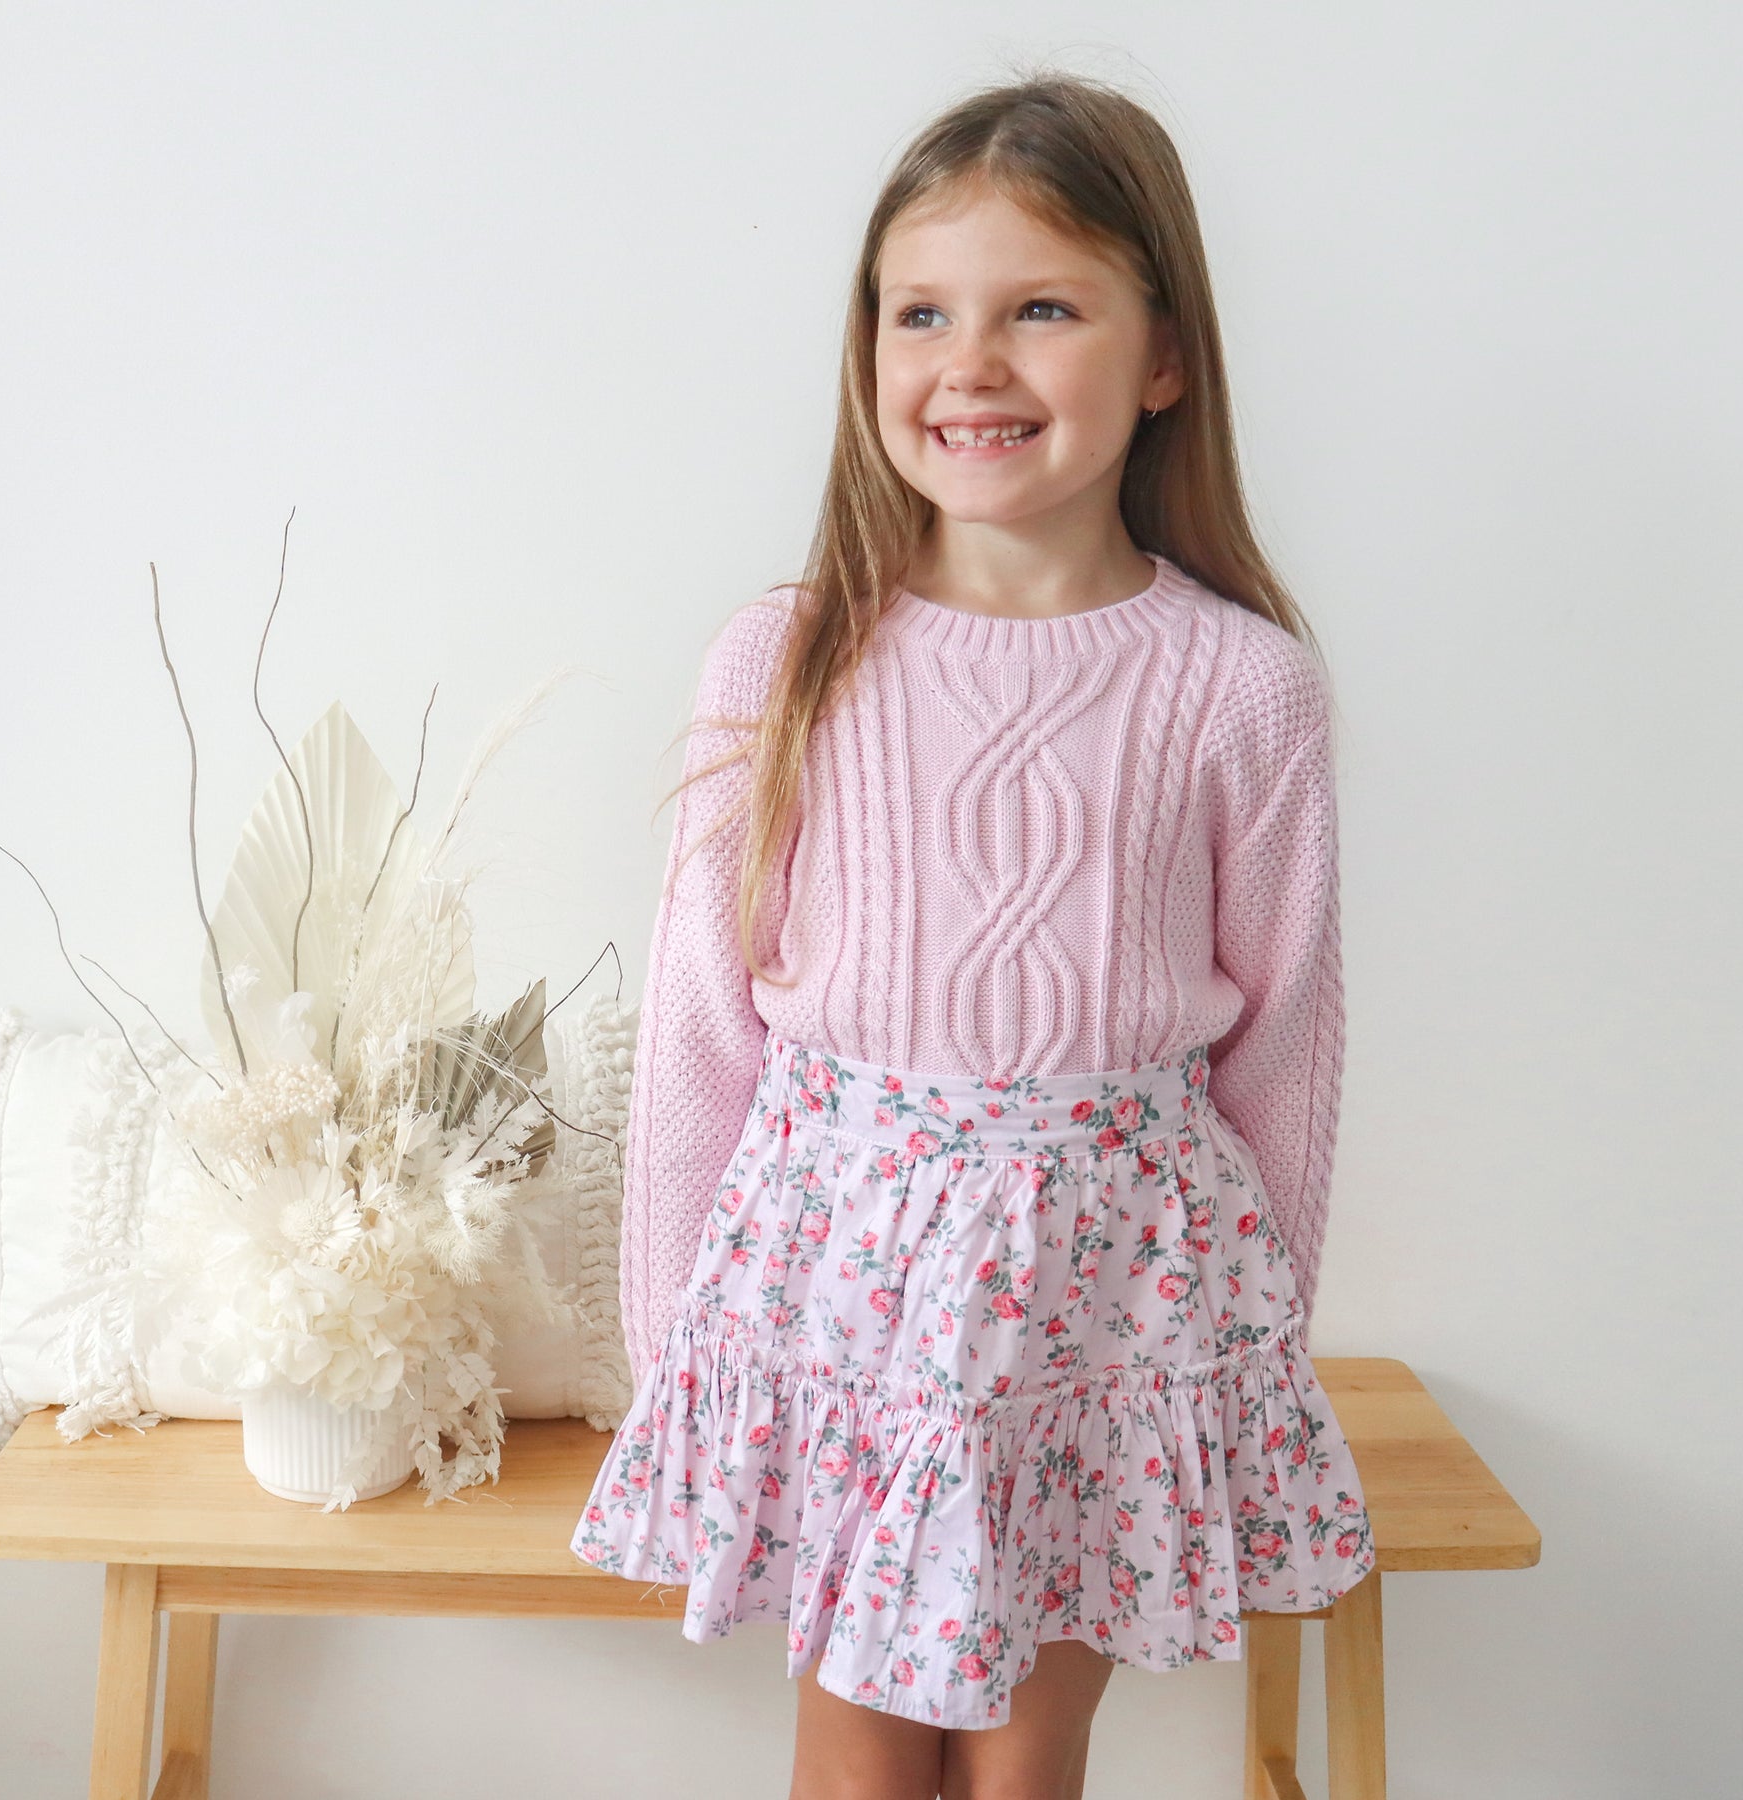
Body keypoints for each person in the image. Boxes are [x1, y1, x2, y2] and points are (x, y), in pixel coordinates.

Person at [570, 68, 1377, 1800]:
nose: (972, 363)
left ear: (1165, 359)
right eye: (921, 312)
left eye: (1043, 310)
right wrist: (681, 1351)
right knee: (859, 1765)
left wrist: (1238, 1365)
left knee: (1024, 1768)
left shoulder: (1242, 687)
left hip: (1111, 1313)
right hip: (832, 1297)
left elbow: (1286, 1044)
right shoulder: (786, 659)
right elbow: (704, 1026)